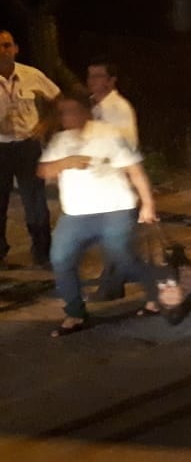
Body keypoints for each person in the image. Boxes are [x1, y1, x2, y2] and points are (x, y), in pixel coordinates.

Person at [37, 90, 159, 336]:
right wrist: (66, 162)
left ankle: (159, 294)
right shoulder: (61, 141)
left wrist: (148, 204)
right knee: (60, 259)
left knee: (123, 259)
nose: (65, 117)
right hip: (75, 214)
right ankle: (75, 313)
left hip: (114, 209)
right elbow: (43, 171)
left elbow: (135, 170)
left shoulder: (108, 134)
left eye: (70, 111)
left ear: (85, 111)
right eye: (62, 112)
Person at [0, 29, 59, 269]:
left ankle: (43, 252)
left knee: (35, 202)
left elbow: (57, 99)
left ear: (16, 48)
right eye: (0, 46)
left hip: (27, 146)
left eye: (6, 45)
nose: (3, 50)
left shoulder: (31, 75)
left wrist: (45, 125)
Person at [85, 58, 139, 300]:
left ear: (111, 80)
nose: (92, 81)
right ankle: (119, 279)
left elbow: (123, 145)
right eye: (90, 76)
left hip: (115, 180)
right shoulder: (95, 106)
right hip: (101, 182)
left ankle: (111, 287)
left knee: (113, 238)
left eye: (98, 76)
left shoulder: (118, 108)